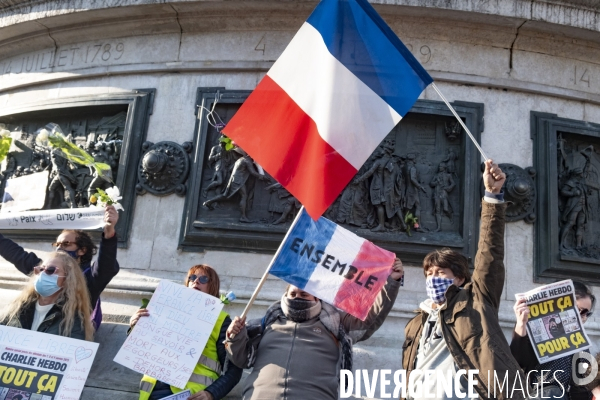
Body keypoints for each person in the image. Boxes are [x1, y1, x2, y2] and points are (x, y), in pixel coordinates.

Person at [402, 160, 524, 400]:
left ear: (458, 278)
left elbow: (490, 254)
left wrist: (492, 196)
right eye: (429, 274)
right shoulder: (417, 321)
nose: (433, 279)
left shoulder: (477, 301)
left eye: (440, 273)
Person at [225, 259, 404, 400]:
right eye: (293, 294)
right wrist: (236, 336)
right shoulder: (266, 322)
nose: (297, 298)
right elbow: (240, 359)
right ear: (285, 295)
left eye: (304, 294)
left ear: (317, 298)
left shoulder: (336, 322)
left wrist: (392, 282)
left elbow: (370, 319)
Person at [131, 264, 242, 400]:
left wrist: (212, 393)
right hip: (151, 393)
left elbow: (234, 369)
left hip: (191, 394)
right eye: (192, 277)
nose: (196, 281)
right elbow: (141, 349)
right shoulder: (165, 310)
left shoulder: (221, 321)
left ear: (212, 287)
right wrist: (136, 326)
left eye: (203, 279)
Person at [0, 205, 120, 329]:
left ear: (82, 250)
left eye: (66, 244)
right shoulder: (45, 269)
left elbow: (106, 266)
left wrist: (109, 233)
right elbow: (17, 255)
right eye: (57, 244)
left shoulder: (90, 279)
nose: (59, 248)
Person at [511, 281, 596, 400]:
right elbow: (518, 362)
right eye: (579, 310)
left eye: (587, 313)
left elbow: (582, 385)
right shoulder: (532, 330)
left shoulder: (580, 342)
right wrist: (521, 324)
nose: (584, 317)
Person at [0, 251, 94, 340]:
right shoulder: (16, 308)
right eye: (40, 269)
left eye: (50, 270)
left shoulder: (73, 321)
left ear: (67, 279)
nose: (42, 273)